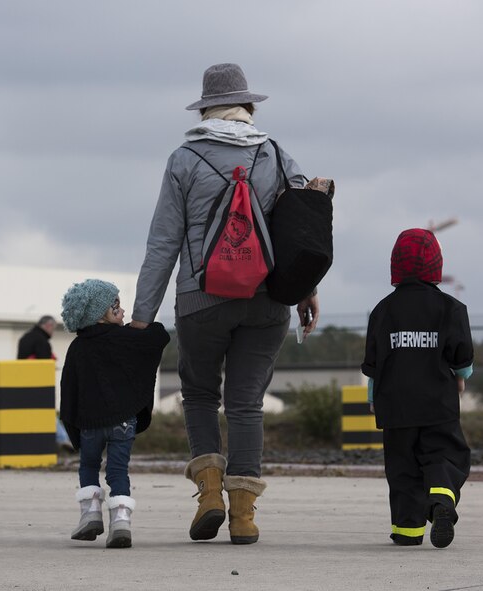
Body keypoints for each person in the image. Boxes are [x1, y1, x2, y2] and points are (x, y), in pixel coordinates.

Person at [130, 63, 319, 544]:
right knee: (246, 404)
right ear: (248, 106)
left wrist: (141, 317)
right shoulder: (276, 154)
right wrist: (304, 292)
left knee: (198, 393)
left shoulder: (184, 158)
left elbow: (163, 244)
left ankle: (210, 494)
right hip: (266, 299)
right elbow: (300, 234)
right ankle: (244, 515)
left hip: (201, 299)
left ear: (206, 107)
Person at [362, 228, 474, 549]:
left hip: (395, 407)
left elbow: (373, 362)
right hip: (438, 404)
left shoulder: (382, 311)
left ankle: (407, 531)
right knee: (444, 455)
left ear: (395, 265)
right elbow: (462, 355)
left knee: (402, 468)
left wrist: (373, 397)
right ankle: (441, 501)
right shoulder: (451, 309)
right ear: (436, 265)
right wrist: (462, 376)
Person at [59, 279, 169, 548]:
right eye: (115, 305)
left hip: (89, 424)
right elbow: (159, 338)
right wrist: (143, 325)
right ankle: (121, 520)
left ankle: (91, 514)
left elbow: (68, 390)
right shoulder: (125, 338)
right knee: (118, 470)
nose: (122, 309)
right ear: (99, 315)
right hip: (122, 421)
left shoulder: (77, 348)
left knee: (88, 466)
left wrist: (73, 430)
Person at [16, 315, 73, 450]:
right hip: (39, 385)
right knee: (47, 412)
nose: (52, 332)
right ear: (48, 326)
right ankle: (62, 438)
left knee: (31, 415)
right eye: (53, 328)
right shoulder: (42, 341)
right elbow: (44, 365)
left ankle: (35, 444)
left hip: (21, 384)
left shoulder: (24, 338)